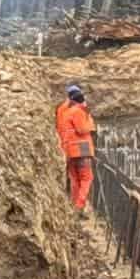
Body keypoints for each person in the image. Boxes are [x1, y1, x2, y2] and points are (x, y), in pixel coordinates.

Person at [55, 84, 97, 212]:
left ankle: (75, 204)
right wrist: (89, 120)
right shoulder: (78, 111)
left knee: (75, 178)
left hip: (68, 148)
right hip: (82, 147)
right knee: (87, 177)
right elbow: (82, 129)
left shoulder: (63, 110)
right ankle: (79, 205)